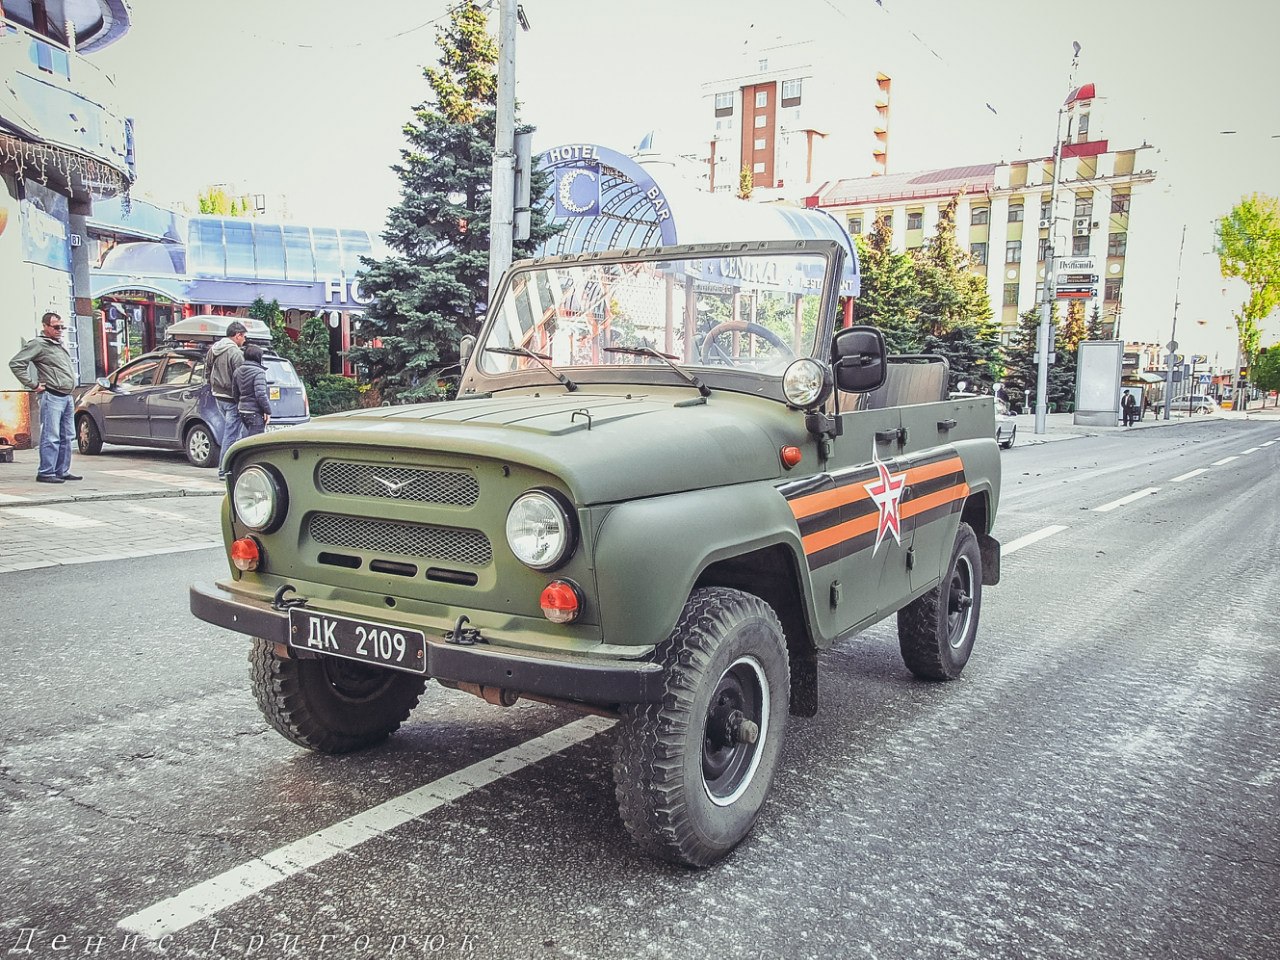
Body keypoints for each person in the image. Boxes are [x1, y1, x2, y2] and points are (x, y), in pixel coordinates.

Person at [8, 311, 82, 483]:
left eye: (62, 327)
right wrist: (33, 384)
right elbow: (16, 363)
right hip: (52, 396)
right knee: (51, 436)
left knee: (67, 436)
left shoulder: (57, 344)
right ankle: (46, 472)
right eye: (56, 327)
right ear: (45, 326)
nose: (60, 330)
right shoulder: (39, 344)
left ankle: (61, 471)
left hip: (67, 396)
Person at [206, 320, 246, 478]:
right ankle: (224, 470)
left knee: (230, 432)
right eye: (243, 337)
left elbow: (207, 369)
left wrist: (211, 386)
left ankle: (228, 467)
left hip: (218, 396)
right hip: (231, 398)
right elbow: (240, 378)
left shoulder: (214, 349)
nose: (244, 340)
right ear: (237, 335)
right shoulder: (235, 353)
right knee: (231, 434)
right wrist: (242, 398)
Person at [232, 342, 272, 441]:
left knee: (246, 440)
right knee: (256, 442)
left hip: (242, 410)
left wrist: (241, 404)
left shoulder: (237, 371)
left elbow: (235, 392)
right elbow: (261, 394)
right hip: (255, 412)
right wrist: (268, 411)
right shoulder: (259, 372)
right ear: (258, 357)